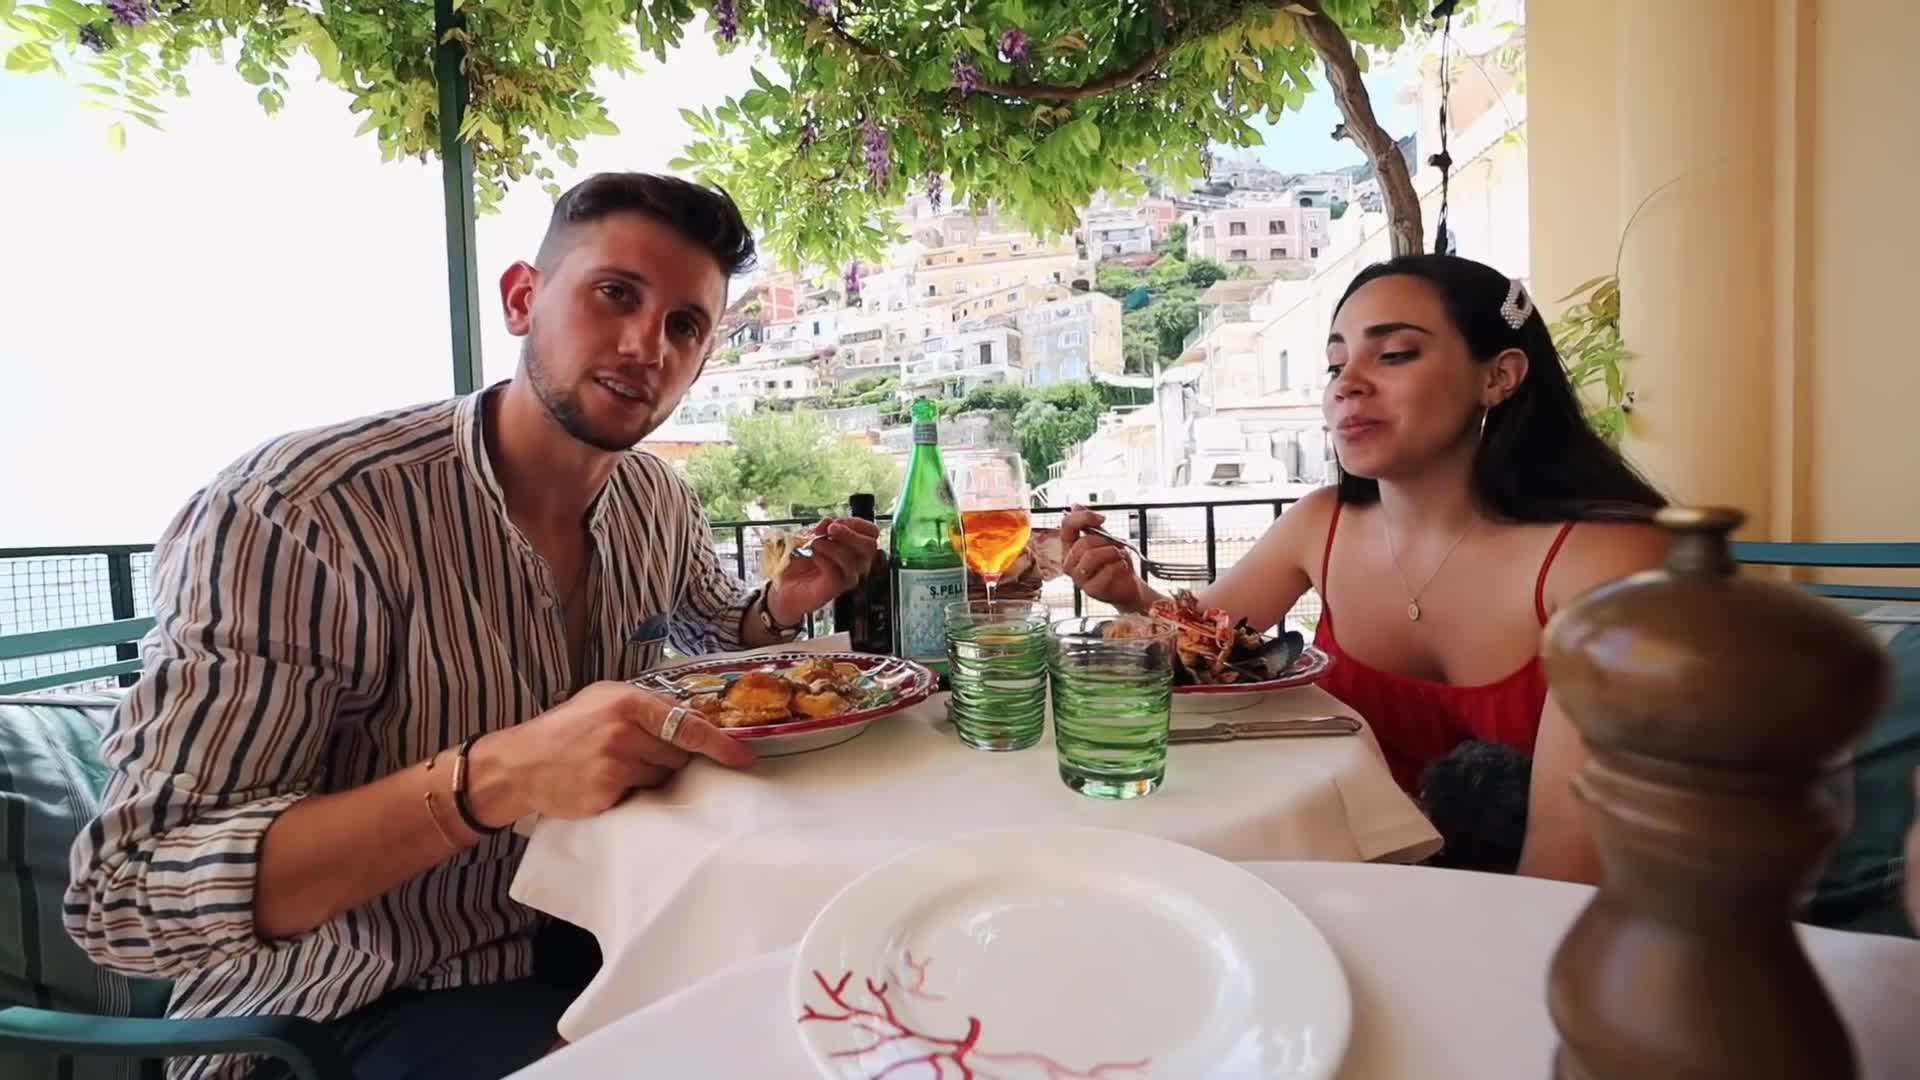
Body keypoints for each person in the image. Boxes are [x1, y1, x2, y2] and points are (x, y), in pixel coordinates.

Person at [64, 173, 879, 1080]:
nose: (647, 343)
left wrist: (780, 608)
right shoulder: (301, 513)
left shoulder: (655, 498)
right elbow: (127, 898)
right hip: (346, 1008)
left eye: (686, 325)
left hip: (594, 933)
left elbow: (707, 626)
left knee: (855, 996)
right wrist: (490, 778)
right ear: (524, 298)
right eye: (616, 294)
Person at [1061, 254, 1669, 885]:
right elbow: (1202, 647)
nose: (1346, 383)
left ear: (1500, 376)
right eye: (1334, 364)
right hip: (1345, 874)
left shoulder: (1609, 559)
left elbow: (1567, 867)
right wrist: (1129, 595)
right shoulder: (1321, 524)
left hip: (1528, 917)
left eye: (1395, 354)